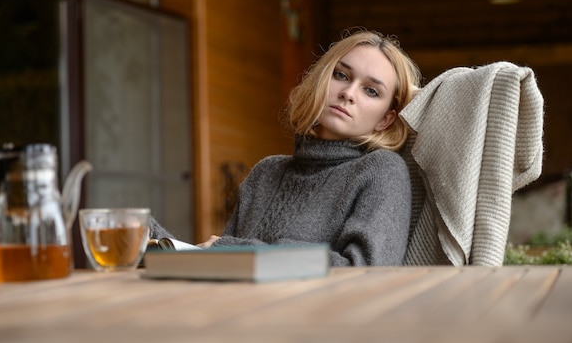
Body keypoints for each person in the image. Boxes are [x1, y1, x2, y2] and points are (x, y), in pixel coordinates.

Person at [150, 28, 422, 266]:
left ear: (386, 119)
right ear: (322, 79)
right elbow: (224, 263)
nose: (348, 93)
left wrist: (232, 249)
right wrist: (149, 237)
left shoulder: (382, 171)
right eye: (341, 75)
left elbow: (366, 270)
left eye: (371, 91)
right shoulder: (267, 172)